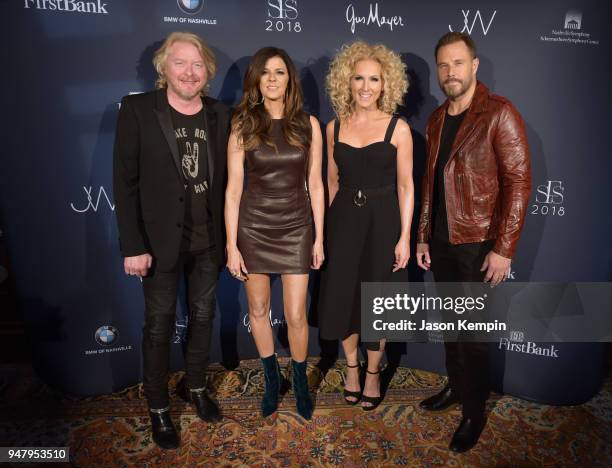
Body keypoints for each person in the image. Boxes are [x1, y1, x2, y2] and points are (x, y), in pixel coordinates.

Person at [113, 32, 231, 449]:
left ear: (208, 72)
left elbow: (230, 184)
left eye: (198, 65)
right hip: (158, 244)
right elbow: (124, 183)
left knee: (203, 318)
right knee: (159, 327)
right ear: (164, 68)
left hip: (207, 242)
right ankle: (159, 407)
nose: (189, 72)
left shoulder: (221, 114)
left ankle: (196, 388)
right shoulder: (139, 109)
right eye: (180, 63)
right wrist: (132, 245)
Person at [416, 31, 531, 452]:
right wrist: (424, 235)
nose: (450, 73)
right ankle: (455, 388)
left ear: (475, 65)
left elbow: (519, 183)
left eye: (458, 63)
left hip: (480, 243)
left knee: (474, 333)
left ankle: (474, 410)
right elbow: (429, 184)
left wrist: (504, 248)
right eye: (443, 65)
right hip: (443, 242)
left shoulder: (499, 113)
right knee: (452, 325)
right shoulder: (434, 119)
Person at [225, 47, 324, 420]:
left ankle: (298, 380)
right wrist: (231, 244)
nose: (271, 78)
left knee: (297, 314)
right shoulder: (242, 123)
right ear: (256, 79)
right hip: (254, 226)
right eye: (264, 72)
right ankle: (271, 379)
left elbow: (316, 185)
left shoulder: (308, 125)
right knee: (258, 309)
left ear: (289, 79)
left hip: (297, 226)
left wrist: (318, 238)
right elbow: (233, 190)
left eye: (279, 72)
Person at [317, 41, 414, 410]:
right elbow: (331, 183)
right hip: (343, 221)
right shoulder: (333, 127)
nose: (366, 86)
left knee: (379, 300)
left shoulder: (398, 129)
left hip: (384, 221)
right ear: (347, 81)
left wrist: (404, 236)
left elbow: (406, 186)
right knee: (344, 297)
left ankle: (373, 373)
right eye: (358, 77)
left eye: (374, 78)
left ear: (386, 84)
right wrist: (324, 234)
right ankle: (352, 369)